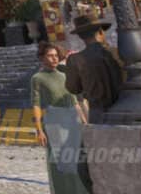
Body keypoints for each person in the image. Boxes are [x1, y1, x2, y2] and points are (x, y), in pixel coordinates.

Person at [32, 42, 89, 194]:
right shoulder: (38, 78)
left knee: (78, 159)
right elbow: (36, 104)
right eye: (50, 56)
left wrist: (84, 122)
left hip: (73, 121)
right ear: (42, 58)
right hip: (54, 122)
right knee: (60, 161)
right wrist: (39, 130)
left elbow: (75, 101)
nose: (54, 58)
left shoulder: (64, 76)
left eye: (56, 55)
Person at [64, 14, 124, 124]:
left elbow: (73, 88)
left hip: (98, 113)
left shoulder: (75, 60)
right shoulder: (118, 52)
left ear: (80, 37)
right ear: (101, 32)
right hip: (124, 109)